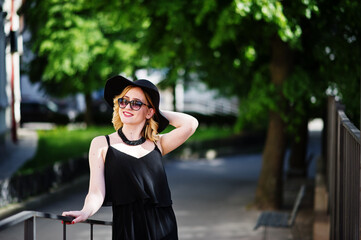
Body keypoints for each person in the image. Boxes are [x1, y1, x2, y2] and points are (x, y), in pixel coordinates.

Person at [62, 75, 198, 240]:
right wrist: (85, 211)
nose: (127, 107)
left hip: (163, 226)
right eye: (124, 101)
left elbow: (190, 124)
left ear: (149, 112)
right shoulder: (102, 144)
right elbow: (96, 192)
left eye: (136, 103)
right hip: (128, 228)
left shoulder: (158, 143)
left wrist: (157, 112)